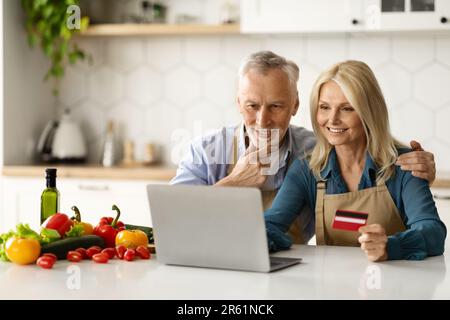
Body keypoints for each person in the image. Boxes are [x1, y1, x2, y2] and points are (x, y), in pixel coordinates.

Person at [171, 51, 437, 244]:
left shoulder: (314, 152)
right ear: (239, 103)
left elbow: (430, 230)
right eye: (252, 105)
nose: (263, 119)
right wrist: (232, 185)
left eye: (276, 106)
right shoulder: (207, 151)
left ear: (295, 106)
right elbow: (170, 223)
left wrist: (418, 176)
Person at [264, 60, 446, 261]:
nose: (332, 119)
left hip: (396, 287)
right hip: (331, 288)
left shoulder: (404, 165)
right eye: (324, 107)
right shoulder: (307, 170)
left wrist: (391, 246)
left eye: (347, 108)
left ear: (369, 112)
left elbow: (433, 232)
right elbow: (272, 224)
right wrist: (263, 238)